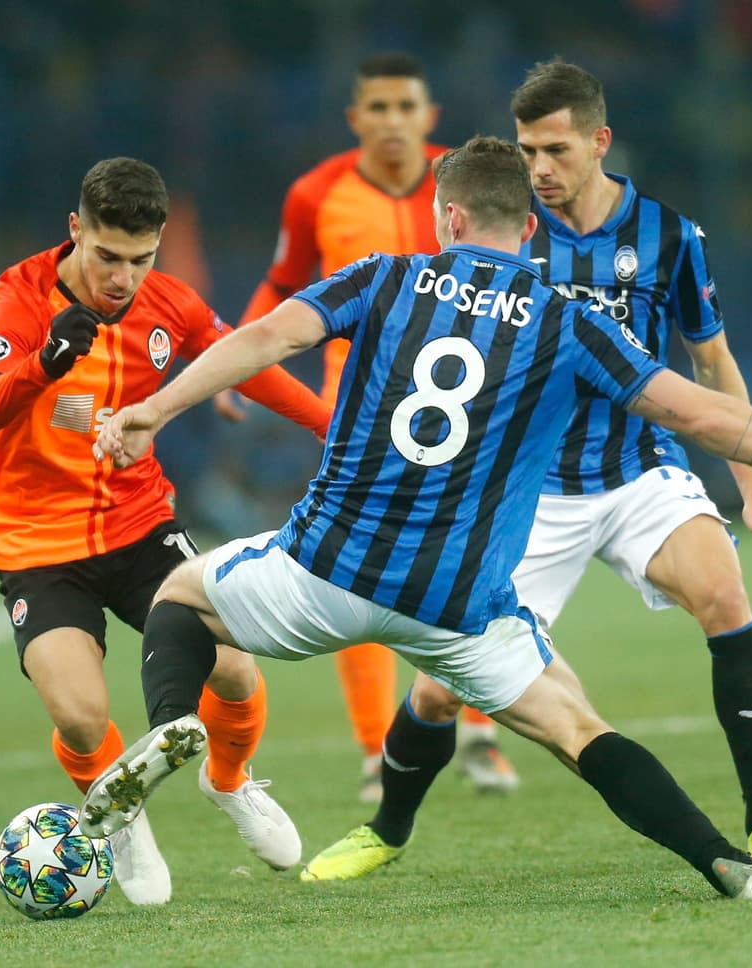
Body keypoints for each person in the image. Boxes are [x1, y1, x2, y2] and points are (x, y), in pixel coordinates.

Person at [82, 136, 752, 901]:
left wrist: (157, 409)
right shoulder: (571, 323)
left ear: (444, 216)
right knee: (576, 726)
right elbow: (704, 416)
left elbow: (267, 338)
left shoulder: (383, 276)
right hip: (457, 606)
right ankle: (726, 863)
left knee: (184, 594)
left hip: (325, 572)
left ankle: (170, 728)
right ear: (529, 229)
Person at [341, 58, 752, 872]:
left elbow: (713, 369)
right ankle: (384, 831)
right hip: (529, 494)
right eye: (528, 152)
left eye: (556, 151)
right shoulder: (511, 235)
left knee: (723, 593)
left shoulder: (669, 237)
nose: (539, 171)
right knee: (437, 687)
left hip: (639, 472)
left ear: (600, 141)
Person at [0, 157, 328, 904]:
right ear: (76, 231)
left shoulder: (167, 302)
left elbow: (246, 360)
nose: (123, 278)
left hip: (138, 526)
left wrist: (334, 426)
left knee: (233, 670)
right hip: (36, 543)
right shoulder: (19, 295)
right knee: (80, 712)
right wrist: (43, 361)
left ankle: (229, 782)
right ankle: (119, 819)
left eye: (141, 259)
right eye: (108, 257)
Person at [226, 51, 518, 800]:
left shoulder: (467, 190)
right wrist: (238, 361)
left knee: (471, 559)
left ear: (430, 117)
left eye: (406, 107)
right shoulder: (315, 193)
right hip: (354, 417)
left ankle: (481, 737)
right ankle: (372, 751)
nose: (393, 120)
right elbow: (284, 285)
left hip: (463, 409)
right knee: (353, 566)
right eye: (378, 108)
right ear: (355, 118)